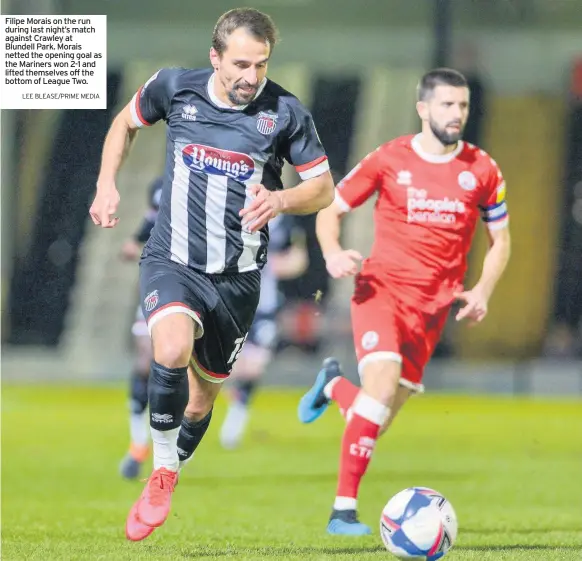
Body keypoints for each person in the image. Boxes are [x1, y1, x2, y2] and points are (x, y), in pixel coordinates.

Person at [89, 8, 334, 542]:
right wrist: (107, 183)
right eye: (241, 64)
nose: (251, 76)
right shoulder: (175, 88)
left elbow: (324, 189)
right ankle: (157, 469)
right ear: (215, 57)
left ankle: (170, 470)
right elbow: (123, 124)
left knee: (201, 401)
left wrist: (282, 198)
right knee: (170, 349)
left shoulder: (286, 113)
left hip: (239, 280)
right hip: (172, 261)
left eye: (262, 65)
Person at [297, 68, 511, 535]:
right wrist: (332, 253)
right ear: (423, 108)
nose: (456, 114)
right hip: (381, 292)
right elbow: (331, 208)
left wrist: (482, 290)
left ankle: (333, 385)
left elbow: (502, 239)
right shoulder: (389, 158)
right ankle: (343, 511)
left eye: (463, 106)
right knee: (378, 391)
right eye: (447, 105)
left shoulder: (482, 168)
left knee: (373, 419)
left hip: (433, 310)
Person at [219, 214, 307, 449]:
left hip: (264, 308)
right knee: (227, 367)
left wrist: (276, 263)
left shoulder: (286, 223)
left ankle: (236, 419)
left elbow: (299, 260)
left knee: (255, 366)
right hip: (231, 304)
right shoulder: (232, 210)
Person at [118, 176, 162, 479]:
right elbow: (136, 239)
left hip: (199, 288)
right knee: (145, 361)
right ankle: (137, 446)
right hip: (157, 288)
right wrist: (132, 248)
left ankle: (170, 456)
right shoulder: (160, 188)